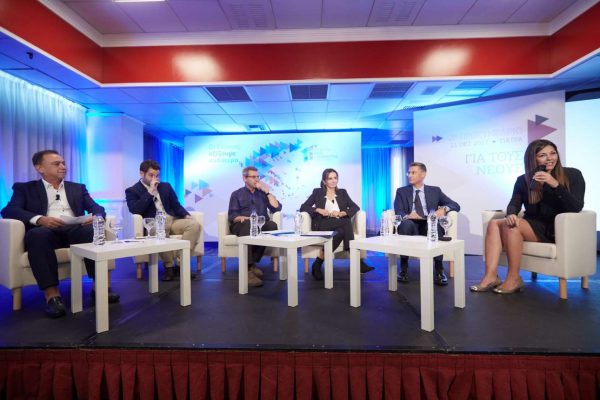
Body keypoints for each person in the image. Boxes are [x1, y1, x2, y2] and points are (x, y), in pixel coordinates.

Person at [1, 150, 120, 318]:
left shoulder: (77, 188)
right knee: (37, 235)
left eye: (63, 163)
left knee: (93, 230)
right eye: (57, 164)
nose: (63, 166)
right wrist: (40, 219)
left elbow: (97, 208)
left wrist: (96, 217)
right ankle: (52, 296)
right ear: (40, 168)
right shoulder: (25, 188)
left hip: (75, 230)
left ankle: (99, 289)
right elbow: (9, 210)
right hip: (46, 231)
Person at [471, 139, 585, 294]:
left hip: (555, 228)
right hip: (533, 224)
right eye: (542, 155)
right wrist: (511, 214)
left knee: (512, 226)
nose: (550, 158)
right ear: (533, 159)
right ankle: (490, 276)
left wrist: (555, 184)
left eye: (553, 153)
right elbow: (514, 203)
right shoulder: (523, 180)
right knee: (494, 223)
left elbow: (576, 207)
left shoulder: (573, 174)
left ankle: (514, 278)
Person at [125, 160, 201, 281]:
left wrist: (186, 215)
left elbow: (176, 205)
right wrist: (150, 192)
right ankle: (169, 266)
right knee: (159, 229)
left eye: (157, 175)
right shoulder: (132, 190)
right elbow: (135, 209)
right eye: (151, 175)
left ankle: (181, 265)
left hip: (171, 219)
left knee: (194, 225)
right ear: (141, 173)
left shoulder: (165, 186)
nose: (154, 179)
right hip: (153, 223)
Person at [393, 162, 460, 286]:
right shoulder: (402, 191)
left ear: (423, 174)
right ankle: (403, 268)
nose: (409, 175)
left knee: (434, 226)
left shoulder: (435, 191)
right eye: (409, 172)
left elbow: (455, 205)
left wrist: (444, 209)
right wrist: (408, 215)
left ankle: (439, 270)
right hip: (410, 222)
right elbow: (398, 211)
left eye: (413, 172)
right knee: (406, 225)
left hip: (428, 222)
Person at [300, 168, 374, 280]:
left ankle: (318, 263)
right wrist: (318, 210)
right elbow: (303, 207)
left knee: (341, 231)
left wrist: (342, 213)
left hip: (339, 224)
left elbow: (355, 207)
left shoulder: (342, 192)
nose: (333, 180)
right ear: (324, 181)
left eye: (335, 178)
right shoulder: (317, 192)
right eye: (330, 178)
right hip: (322, 224)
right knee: (346, 221)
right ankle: (357, 260)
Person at [228, 166, 282, 287]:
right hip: (242, 224)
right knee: (249, 225)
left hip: (260, 223)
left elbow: (277, 208)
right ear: (244, 178)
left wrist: (267, 192)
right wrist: (245, 218)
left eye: (258, 177)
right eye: (253, 177)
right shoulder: (236, 194)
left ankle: (252, 265)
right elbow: (232, 216)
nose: (257, 179)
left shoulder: (262, 193)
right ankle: (247, 270)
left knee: (272, 225)